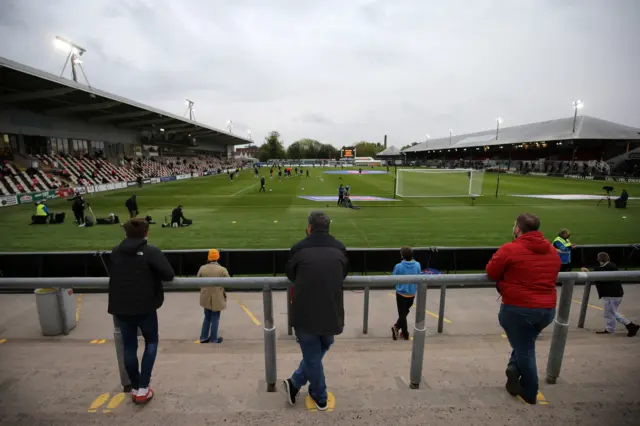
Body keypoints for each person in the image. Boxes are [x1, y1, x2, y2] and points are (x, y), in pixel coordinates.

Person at [486, 213, 560, 405]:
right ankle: (513, 367)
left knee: (525, 350)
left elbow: (491, 271)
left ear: (518, 229)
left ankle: (530, 391)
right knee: (525, 342)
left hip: (518, 309)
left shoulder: (510, 249)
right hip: (547, 310)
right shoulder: (552, 250)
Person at [283, 211, 349, 411]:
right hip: (331, 310)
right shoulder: (339, 248)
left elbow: (290, 274)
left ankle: (308, 391)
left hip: (306, 312)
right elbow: (343, 273)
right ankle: (310, 390)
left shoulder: (298, 248)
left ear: (309, 228)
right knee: (318, 349)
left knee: (315, 353)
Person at [107, 218, 175, 405]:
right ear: (146, 233)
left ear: (125, 233)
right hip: (144, 307)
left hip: (121, 307)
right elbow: (169, 275)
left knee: (129, 346)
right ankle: (143, 387)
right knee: (151, 342)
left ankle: (136, 387)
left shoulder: (116, 251)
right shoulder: (150, 251)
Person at [580, 253, 639, 337]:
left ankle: (630, 325)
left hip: (611, 295)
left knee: (611, 312)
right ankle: (610, 329)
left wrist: (586, 271)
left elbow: (595, 275)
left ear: (599, 260)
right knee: (609, 313)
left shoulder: (603, 269)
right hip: (616, 293)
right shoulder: (612, 266)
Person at [197, 249, 229, 343]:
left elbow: (198, 281)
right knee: (215, 317)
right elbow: (229, 282)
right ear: (217, 257)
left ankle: (203, 337)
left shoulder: (202, 268)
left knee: (207, 317)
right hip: (217, 297)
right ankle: (214, 338)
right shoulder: (222, 269)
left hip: (205, 297)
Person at [391, 247, 422, 341]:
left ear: (402, 256)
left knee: (403, 314)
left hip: (401, 294)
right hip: (412, 294)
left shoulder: (398, 266)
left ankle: (404, 333)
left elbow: (393, 279)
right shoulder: (417, 265)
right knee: (404, 313)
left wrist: (396, 286)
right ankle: (398, 328)